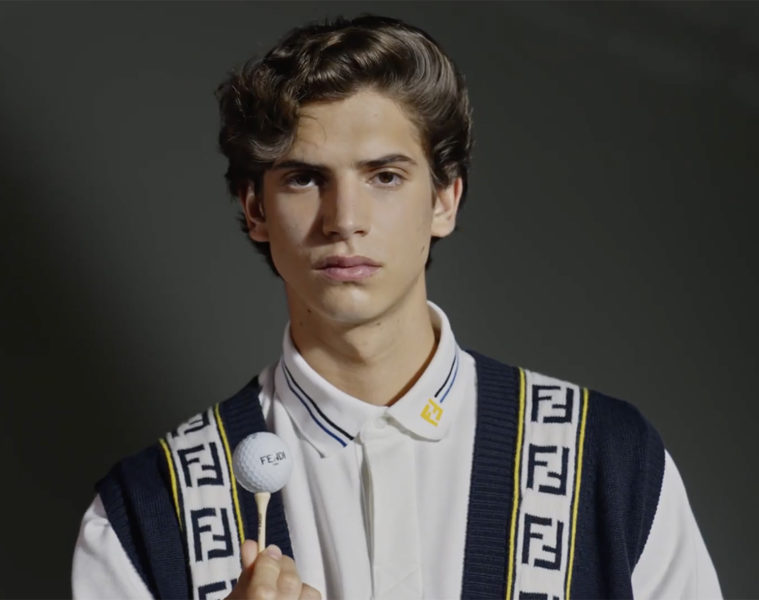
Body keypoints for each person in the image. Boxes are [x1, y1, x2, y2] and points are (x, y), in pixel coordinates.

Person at [72, 14, 721, 600]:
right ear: (255, 209)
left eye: (384, 176)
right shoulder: (145, 511)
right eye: (305, 178)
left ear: (444, 200)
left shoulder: (607, 460)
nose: (344, 219)